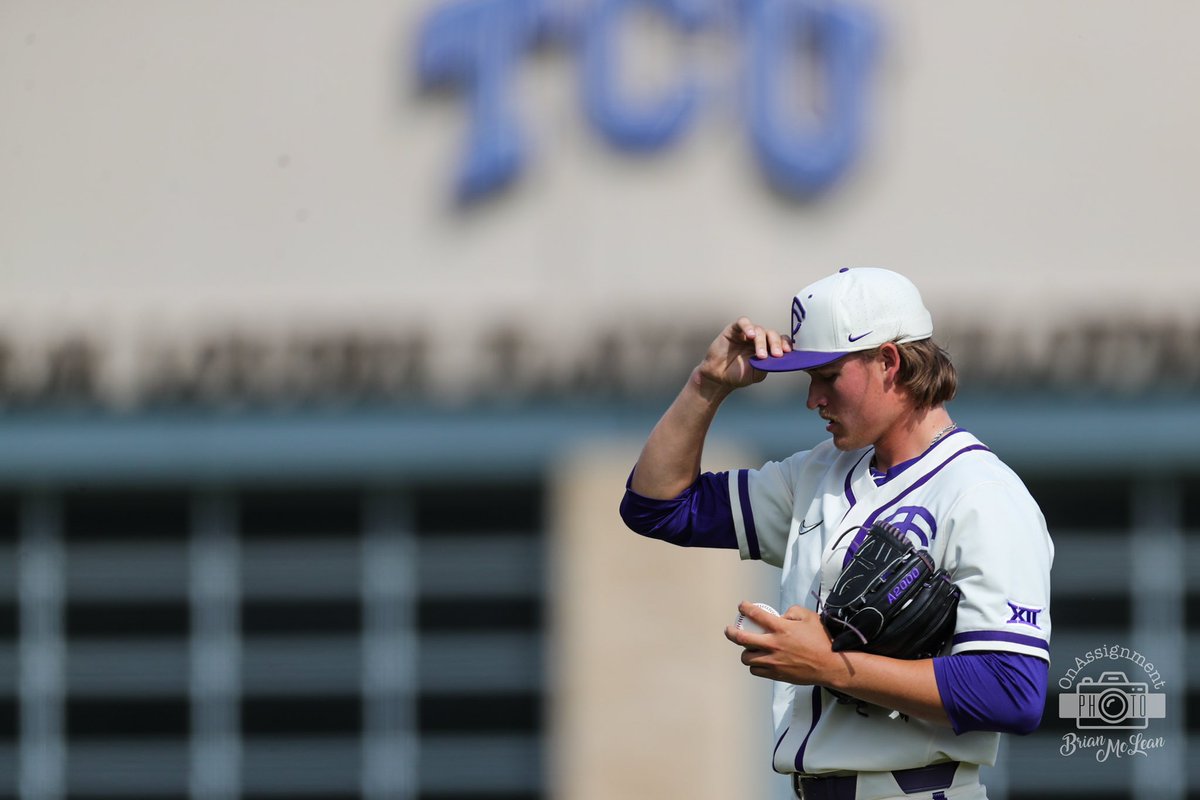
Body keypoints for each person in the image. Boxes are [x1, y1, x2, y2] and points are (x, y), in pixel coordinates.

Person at [619, 267, 1052, 800]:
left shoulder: (982, 493)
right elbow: (657, 506)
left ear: (889, 361)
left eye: (827, 376)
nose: (813, 399)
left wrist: (831, 666)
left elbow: (1012, 691)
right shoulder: (818, 472)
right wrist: (706, 385)